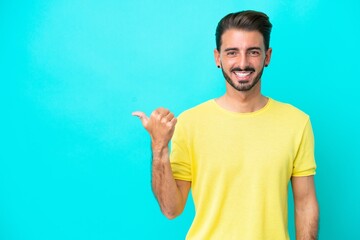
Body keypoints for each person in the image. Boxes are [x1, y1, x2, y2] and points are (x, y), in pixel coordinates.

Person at [133, 10, 319, 240]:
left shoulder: (296, 123)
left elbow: (305, 203)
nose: (242, 63)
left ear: (267, 56)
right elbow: (171, 209)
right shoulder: (190, 123)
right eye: (232, 53)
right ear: (217, 57)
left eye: (253, 52)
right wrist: (159, 147)